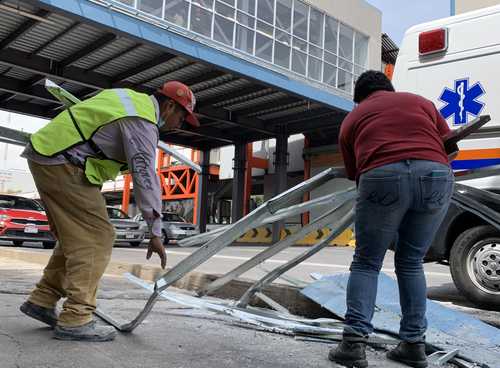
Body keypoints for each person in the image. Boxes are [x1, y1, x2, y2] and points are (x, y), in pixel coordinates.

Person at [19, 81, 199, 342]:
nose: (180, 125)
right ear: (169, 105)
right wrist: (156, 231)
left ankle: (42, 300)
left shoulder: (128, 98)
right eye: (182, 117)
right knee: (98, 237)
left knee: (75, 238)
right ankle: (76, 318)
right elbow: (145, 177)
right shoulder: (142, 122)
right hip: (64, 162)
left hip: (49, 155)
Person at [330, 71, 454, 368]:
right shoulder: (420, 103)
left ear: (359, 98)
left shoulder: (353, 118)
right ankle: (413, 345)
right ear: (390, 88)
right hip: (436, 174)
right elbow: (451, 148)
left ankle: (354, 344)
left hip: (382, 174)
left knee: (366, 261)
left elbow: (356, 174)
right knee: (411, 261)